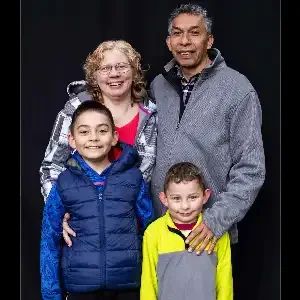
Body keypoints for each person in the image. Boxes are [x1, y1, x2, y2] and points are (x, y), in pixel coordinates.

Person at [149, 3, 265, 256]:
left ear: (209, 40)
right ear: (169, 42)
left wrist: (216, 221)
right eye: (177, 33)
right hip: (159, 228)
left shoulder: (238, 89)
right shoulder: (158, 86)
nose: (185, 41)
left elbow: (251, 168)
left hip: (207, 233)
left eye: (194, 33)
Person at [39, 40, 157, 246]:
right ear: (95, 75)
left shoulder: (151, 115)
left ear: (135, 71)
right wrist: (59, 212)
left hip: (130, 231)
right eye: (105, 68)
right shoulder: (74, 109)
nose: (114, 74)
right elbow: (51, 166)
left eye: (122, 66)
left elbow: (144, 180)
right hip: (83, 229)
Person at [40, 100, 154, 300]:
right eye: (84, 132)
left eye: (102, 131)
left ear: (114, 137)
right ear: (72, 140)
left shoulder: (133, 178)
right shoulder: (63, 183)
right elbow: (49, 241)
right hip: (81, 287)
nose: (93, 138)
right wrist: (51, 296)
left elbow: (151, 231)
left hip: (128, 286)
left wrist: (153, 286)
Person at [140, 162, 233, 300]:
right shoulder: (153, 232)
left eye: (193, 197)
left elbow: (225, 281)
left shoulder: (216, 232)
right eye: (176, 198)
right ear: (164, 199)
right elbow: (148, 282)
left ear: (205, 196)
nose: (185, 206)